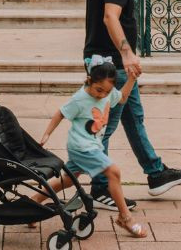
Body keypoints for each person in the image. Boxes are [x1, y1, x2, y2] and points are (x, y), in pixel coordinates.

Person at [83, 0, 181, 210]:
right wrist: (127, 54)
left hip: (104, 60)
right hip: (111, 64)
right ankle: (101, 188)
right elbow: (110, 16)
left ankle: (156, 173)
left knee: (133, 117)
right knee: (104, 127)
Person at [38, 62, 150, 239]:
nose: (102, 95)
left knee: (67, 181)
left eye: (106, 91)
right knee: (113, 172)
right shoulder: (80, 98)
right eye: (99, 90)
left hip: (91, 146)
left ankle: (32, 203)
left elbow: (121, 98)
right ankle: (125, 217)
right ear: (89, 80)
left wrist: (131, 80)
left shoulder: (108, 91)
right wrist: (46, 134)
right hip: (82, 147)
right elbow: (61, 112)